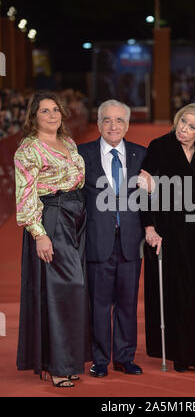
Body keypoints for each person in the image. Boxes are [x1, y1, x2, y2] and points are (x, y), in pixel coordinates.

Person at [14, 90, 91, 388]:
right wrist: (39, 234)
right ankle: (57, 365)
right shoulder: (28, 150)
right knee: (64, 288)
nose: (52, 115)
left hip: (76, 216)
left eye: (55, 110)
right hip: (53, 217)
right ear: (33, 117)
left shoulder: (69, 143)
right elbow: (25, 194)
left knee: (74, 292)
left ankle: (67, 361)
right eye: (44, 111)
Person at [139, 103, 195, 374]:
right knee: (173, 290)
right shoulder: (159, 146)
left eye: (192, 126)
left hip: (194, 233)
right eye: (183, 121)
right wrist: (149, 227)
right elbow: (143, 189)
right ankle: (178, 353)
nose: (184, 128)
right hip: (165, 231)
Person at [78, 100, 147, 378]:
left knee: (128, 303)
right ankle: (99, 359)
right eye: (107, 120)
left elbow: (149, 199)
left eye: (119, 120)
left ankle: (124, 356)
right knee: (99, 303)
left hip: (131, 240)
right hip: (97, 239)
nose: (113, 126)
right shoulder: (82, 155)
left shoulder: (141, 155)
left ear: (127, 125)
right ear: (98, 124)